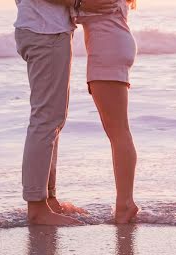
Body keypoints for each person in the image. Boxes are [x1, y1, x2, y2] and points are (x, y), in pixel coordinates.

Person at [14, 0, 119, 226]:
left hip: (45, 30)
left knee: (53, 119)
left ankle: (48, 199)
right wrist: (81, 3)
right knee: (46, 120)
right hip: (45, 31)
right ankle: (37, 207)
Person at [73, 0, 139, 224]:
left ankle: (125, 204)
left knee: (118, 132)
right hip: (111, 45)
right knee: (119, 131)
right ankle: (125, 202)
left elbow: (77, 8)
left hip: (107, 50)